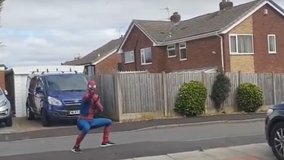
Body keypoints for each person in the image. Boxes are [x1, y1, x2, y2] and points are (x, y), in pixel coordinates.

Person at [71, 80, 115, 153]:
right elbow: (88, 97)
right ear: (88, 87)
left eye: (93, 86)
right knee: (86, 127)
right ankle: (76, 146)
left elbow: (101, 109)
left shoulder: (96, 97)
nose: (92, 88)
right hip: (82, 120)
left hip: (91, 121)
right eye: (90, 86)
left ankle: (105, 141)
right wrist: (92, 96)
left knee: (108, 122)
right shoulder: (85, 96)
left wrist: (96, 102)